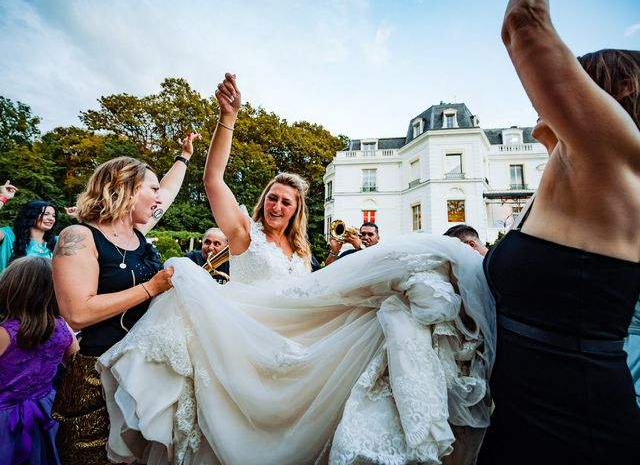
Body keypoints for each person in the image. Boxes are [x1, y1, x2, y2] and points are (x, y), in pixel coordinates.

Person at [97, 73, 495, 465]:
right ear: (263, 200)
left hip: (296, 347)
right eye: (273, 197)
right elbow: (213, 178)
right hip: (244, 344)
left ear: (296, 210)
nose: (277, 206)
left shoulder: (303, 251)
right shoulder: (243, 234)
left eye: (287, 202)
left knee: (388, 308)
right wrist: (228, 119)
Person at [477, 0, 640, 463]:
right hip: (518, 417)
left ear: (619, 94)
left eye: (583, 80)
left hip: (576, 427)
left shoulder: (618, 156)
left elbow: (524, 22)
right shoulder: (569, 184)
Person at [51, 133, 197, 464]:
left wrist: (184, 157)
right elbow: (76, 312)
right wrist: (151, 288)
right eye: (152, 189)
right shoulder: (79, 236)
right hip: (97, 377)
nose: (159, 198)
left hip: (144, 371)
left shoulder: (138, 235)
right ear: (128, 189)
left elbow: (168, 193)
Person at [0, 256, 79, 464]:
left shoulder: (3, 332)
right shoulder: (63, 328)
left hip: (4, 418)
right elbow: (77, 367)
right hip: (45, 409)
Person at [0, 199, 58, 273]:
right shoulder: (9, 236)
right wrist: (2, 198)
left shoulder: (57, 242)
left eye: (54, 216)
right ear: (31, 215)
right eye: (46, 214)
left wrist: (77, 215)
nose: (51, 219)